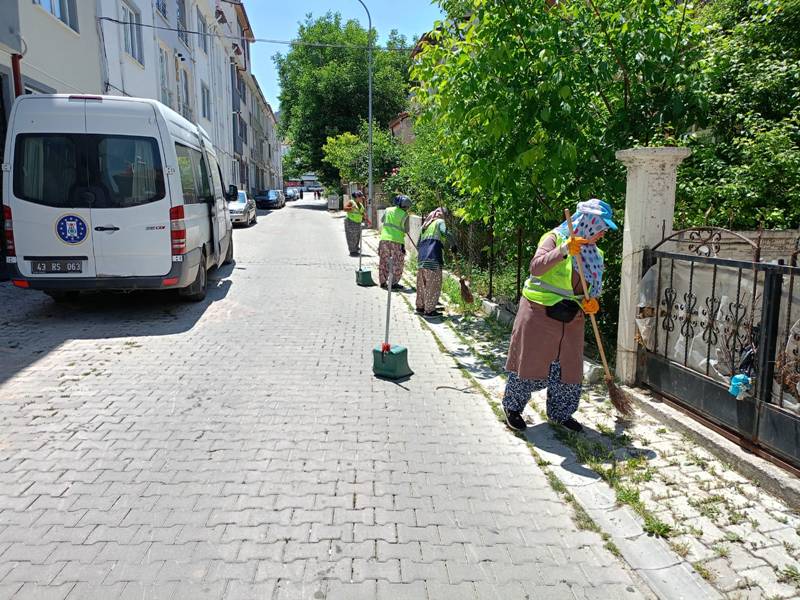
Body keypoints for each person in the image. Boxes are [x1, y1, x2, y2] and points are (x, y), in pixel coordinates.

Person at [502, 199, 618, 433]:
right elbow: (536, 267)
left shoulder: (596, 254)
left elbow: (589, 287)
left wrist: (592, 303)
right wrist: (564, 251)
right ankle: (513, 408)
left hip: (572, 317)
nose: (604, 232)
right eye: (602, 226)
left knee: (569, 368)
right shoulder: (554, 238)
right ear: (589, 222)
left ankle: (561, 413)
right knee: (529, 362)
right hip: (539, 312)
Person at [415, 207, 453, 316]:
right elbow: (447, 233)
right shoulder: (440, 222)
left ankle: (420, 307)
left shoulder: (425, 226)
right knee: (433, 285)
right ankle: (430, 310)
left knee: (422, 285)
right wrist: (454, 245)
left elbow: (418, 244)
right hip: (433, 258)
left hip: (422, 260)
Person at [379, 194, 411, 289]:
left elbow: (382, 220)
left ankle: (383, 281)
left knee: (384, 261)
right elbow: (406, 230)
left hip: (384, 239)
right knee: (397, 262)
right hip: (397, 241)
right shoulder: (405, 215)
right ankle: (393, 283)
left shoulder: (388, 210)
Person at [343, 191, 370, 256]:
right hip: (350, 222)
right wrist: (351, 208)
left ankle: (355, 249)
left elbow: (362, 213)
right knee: (351, 237)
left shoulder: (360, 204)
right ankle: (352, 251)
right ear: (356, 197)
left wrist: (366, 218)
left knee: (357, 236)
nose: (362, 199)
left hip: (358, 222)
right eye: (360, 197)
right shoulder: (351, 202)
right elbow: (345, 209)